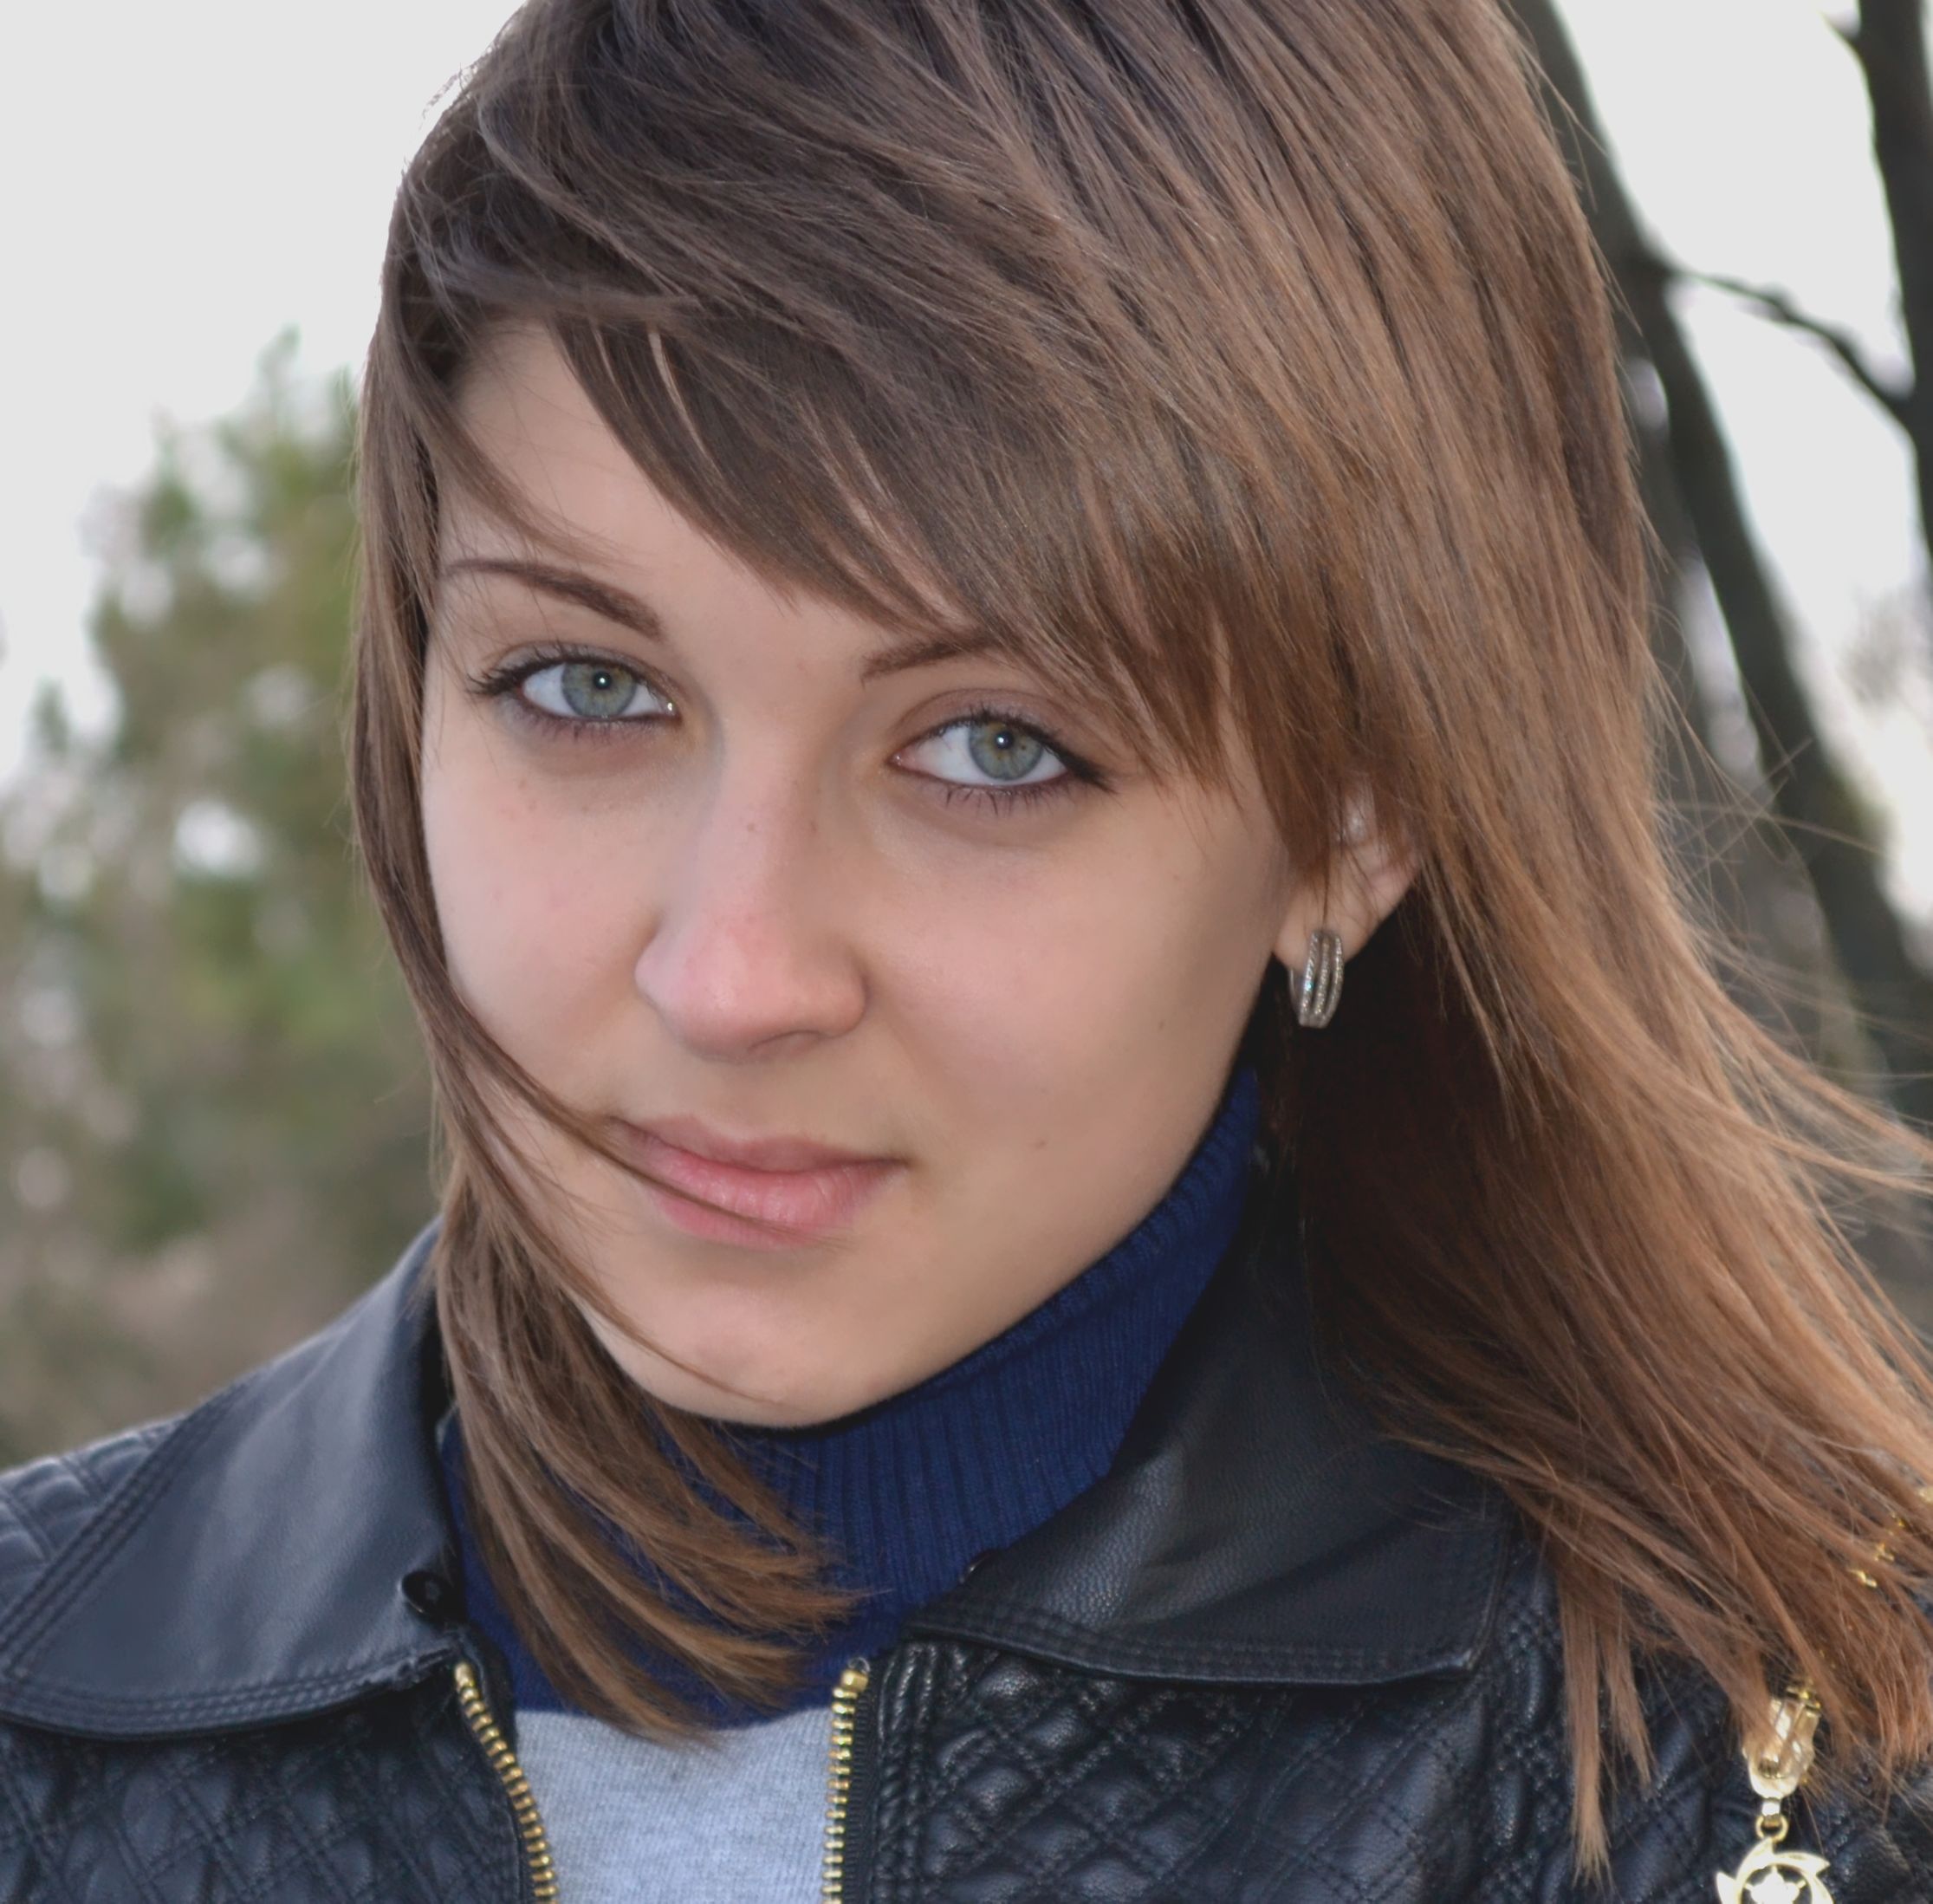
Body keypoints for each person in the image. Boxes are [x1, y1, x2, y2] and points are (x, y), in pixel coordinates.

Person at [4, 0, 1933, 1896]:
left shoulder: (1778, 1795)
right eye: (588, 686)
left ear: (1350, 827)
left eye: (995, 748)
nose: (732, 976)